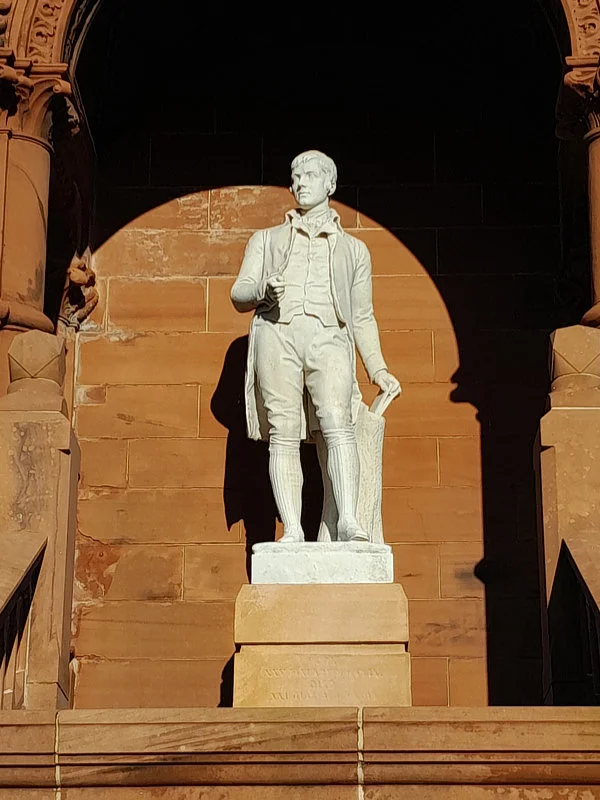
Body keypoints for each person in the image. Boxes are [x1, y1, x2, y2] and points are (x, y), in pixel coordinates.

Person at [231, 150, 401, 543]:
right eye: (294, 176)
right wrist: (263, 290)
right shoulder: (266, 240)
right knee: (283, 431)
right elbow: (239, 293)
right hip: (278, 333)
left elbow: (362, 316)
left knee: (339, 425)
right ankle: (291, 530)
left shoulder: (354, 250)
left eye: (309, 175)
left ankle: (349, 522)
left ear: (331, 184)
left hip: (329, 336)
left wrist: (377, 369)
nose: (300, 183)